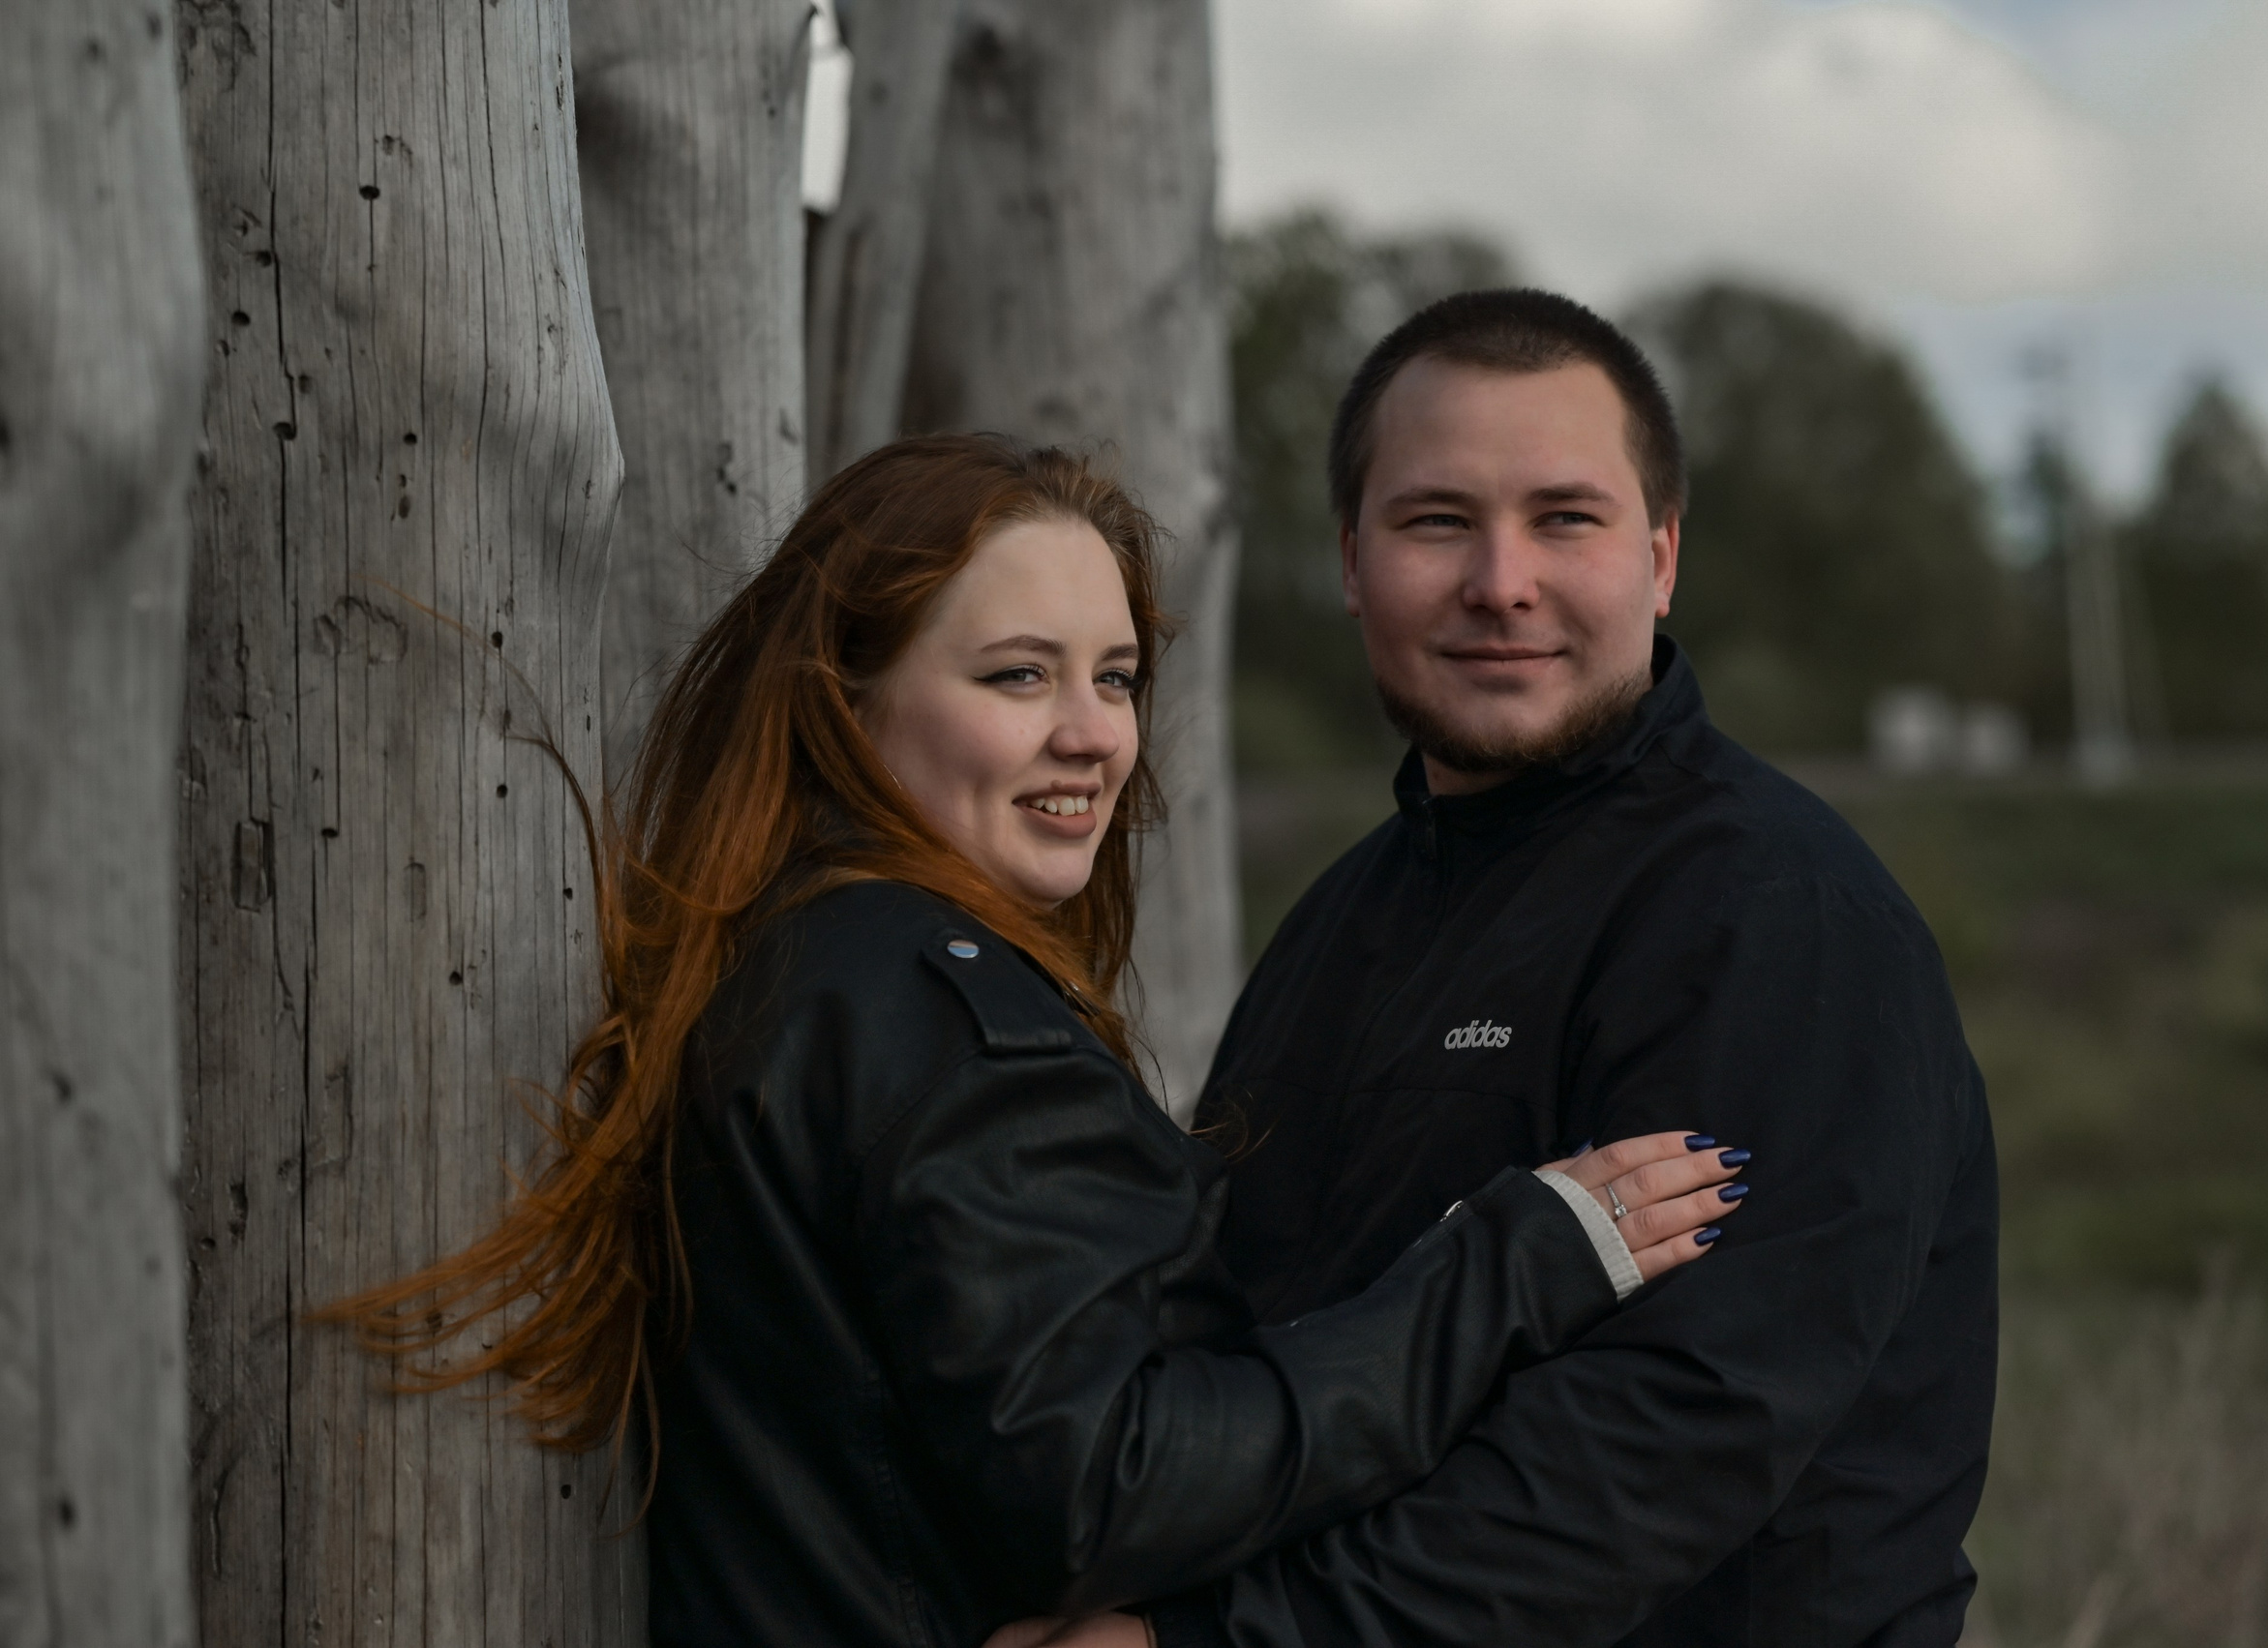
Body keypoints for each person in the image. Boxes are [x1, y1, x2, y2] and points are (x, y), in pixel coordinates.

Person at [323, 434, 1749, 1648]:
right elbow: (1105, 1489)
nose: (1093, 737)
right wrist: (1508, 1264)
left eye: (1116, 678)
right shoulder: (946, 1023)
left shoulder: (793, 965)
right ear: (849, 698)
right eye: (1018, 677)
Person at [1139, 290, 1999, 1647]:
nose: (1501, 582)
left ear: (1659, 560)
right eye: (1437, 521)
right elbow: (1241, 1353)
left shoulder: (1773, 918)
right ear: (1351, 563)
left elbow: (1663, 1440)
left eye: (1565, 518)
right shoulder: (1342, 923)